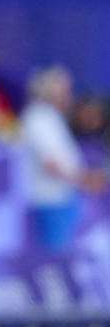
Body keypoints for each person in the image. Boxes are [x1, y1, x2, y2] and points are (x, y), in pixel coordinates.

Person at [18, 64, 106, 251]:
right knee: (52, 257)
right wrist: (83, 179)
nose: (69, 95)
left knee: (62, 252)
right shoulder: (38, 117)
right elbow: (51, 163)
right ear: (50, 91)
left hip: (63, 197)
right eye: (64, 90)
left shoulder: (54, 117)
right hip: (48, 200)